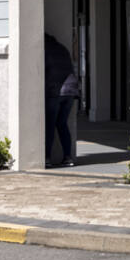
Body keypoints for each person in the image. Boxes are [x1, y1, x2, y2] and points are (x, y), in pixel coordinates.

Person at [44, 33, 79, 166]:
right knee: (62, 124)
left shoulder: (44, 50)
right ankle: (68, 157)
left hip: (55, 92)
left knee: (50, 126)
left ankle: (47, 158)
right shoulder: (63, 49)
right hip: (69, 92)